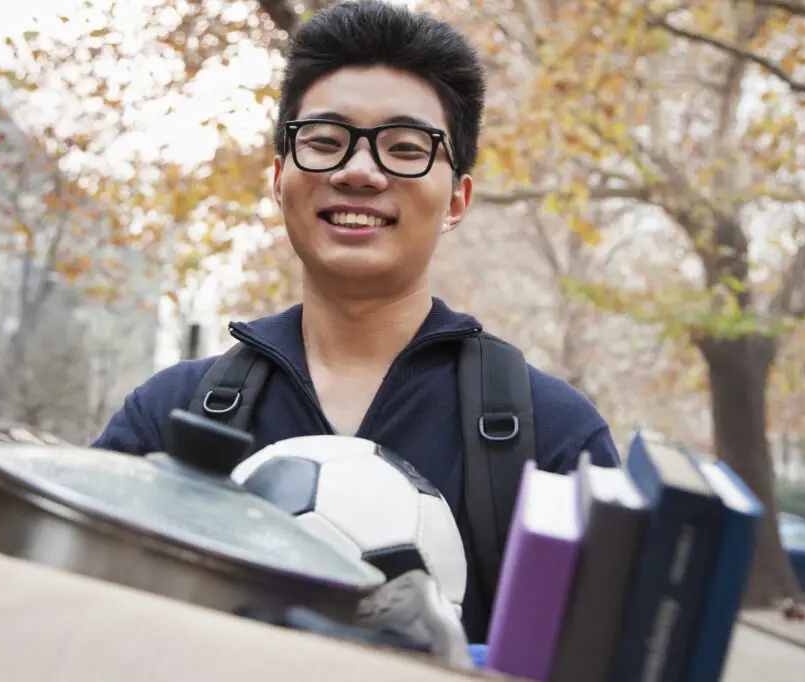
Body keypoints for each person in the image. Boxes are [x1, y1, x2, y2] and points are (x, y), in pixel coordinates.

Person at [92, 0, 620, 642]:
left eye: (404, 147)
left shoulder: (555, 439)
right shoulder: (167, 418)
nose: (358, 172)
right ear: (281, 177)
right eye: (324, 141)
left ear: (457, 198)